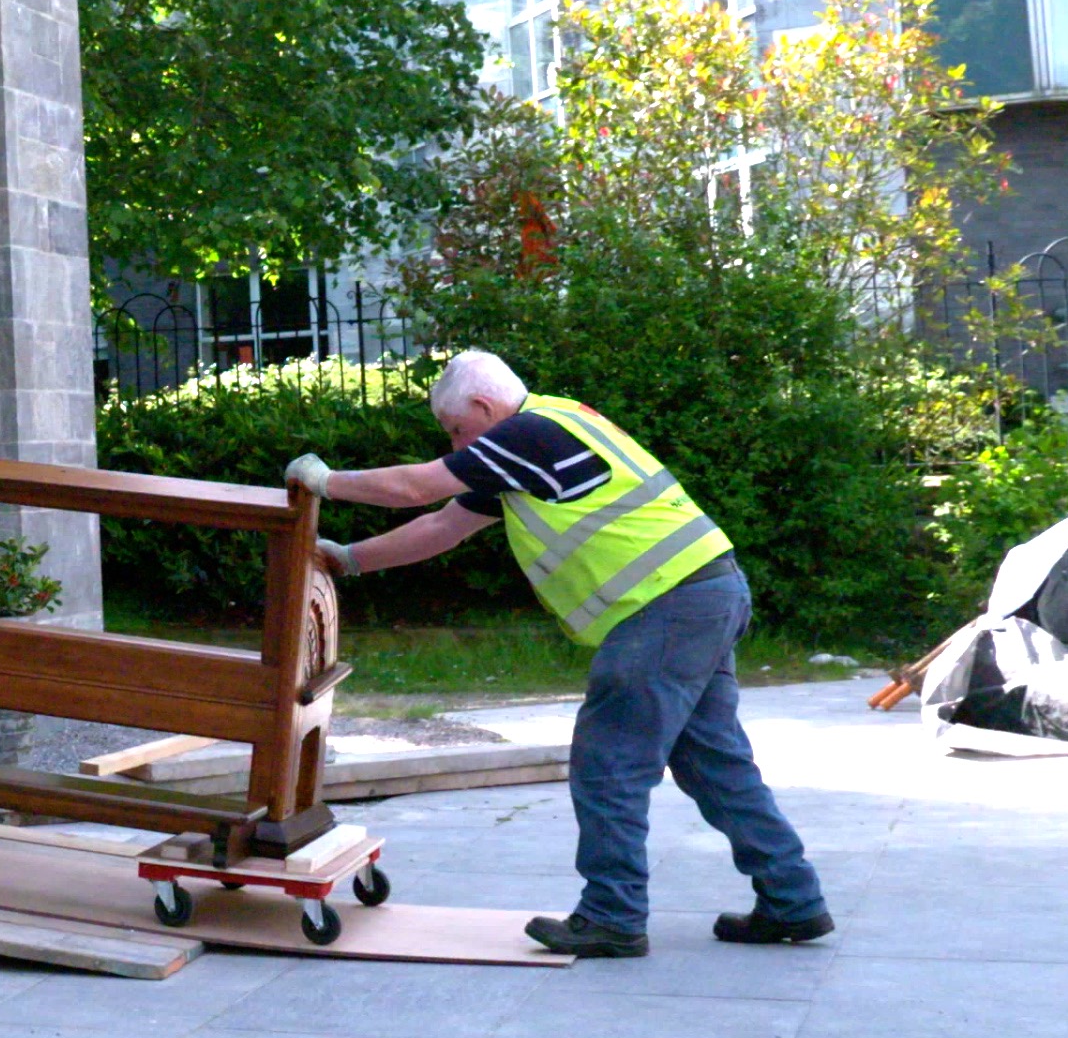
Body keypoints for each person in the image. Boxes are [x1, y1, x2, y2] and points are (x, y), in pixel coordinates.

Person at [284, 349, 830, 958]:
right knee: (714, 763)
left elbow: (418, 486)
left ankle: (613, 916)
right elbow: (444, 526)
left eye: (458, 432)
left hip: (665, 606)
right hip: (702, 592)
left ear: (485, 408)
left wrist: (325, 481)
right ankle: (793, 900)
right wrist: (352, 558)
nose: (457, 447)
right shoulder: (547, 433)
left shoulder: (529, 433)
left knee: (609, 764)